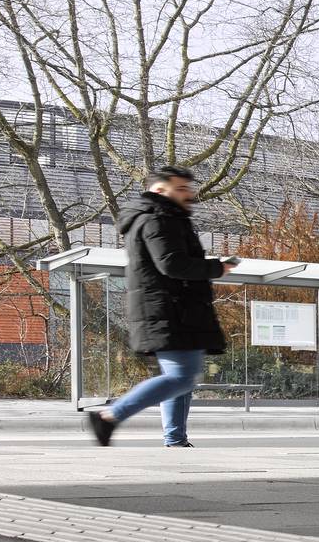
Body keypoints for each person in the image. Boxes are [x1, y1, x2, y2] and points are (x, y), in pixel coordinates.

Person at [86, 166, 236, 448]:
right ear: (159, 190)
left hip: (173, 310)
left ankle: (175, 438)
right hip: (169, 311)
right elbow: (172, 263)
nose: (188, 195)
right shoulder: (158, 218)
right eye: (180, 189)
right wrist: (217, 268)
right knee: (181, 377)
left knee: (182, 378)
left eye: (189, 189)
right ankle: (109, 416)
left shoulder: (163, 217)